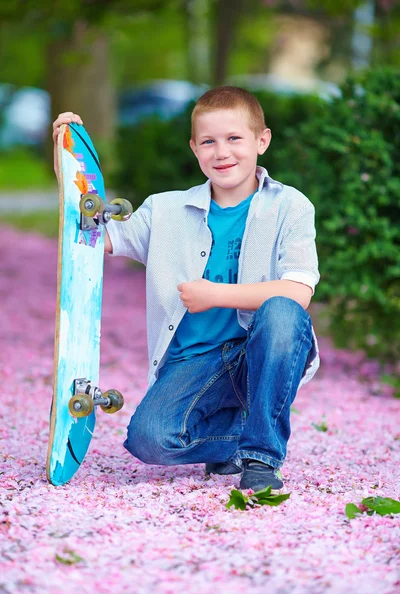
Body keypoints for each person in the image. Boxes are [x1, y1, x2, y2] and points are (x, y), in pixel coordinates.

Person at [52, 86, 320, 493]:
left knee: (282, 309)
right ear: (194, 148)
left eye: (234, 139)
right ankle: (234, 441)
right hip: (194, 360)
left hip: (259, 351)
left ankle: (261, 457)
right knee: (148, 440)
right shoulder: (165, 210)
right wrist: (69, 169)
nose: (221, 152)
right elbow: (96, 236)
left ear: (261, 141)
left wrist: (215, 295)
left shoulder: (291, 206)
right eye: (209, 141)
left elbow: (298, 292)